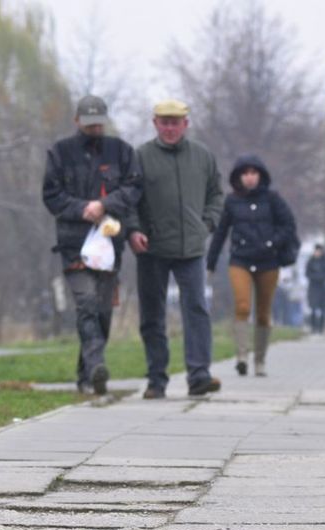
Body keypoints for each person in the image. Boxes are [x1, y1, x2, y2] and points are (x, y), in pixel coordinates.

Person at [42, 95, 141, 395]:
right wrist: (82, 208)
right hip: (74, 245)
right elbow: (51, 195)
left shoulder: (122, 152)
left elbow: (134, 188)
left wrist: (105, 205)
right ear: (77, 121)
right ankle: (97, 365)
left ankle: (87, 375)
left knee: (102, 311)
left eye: (99, 123)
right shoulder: (60, 153)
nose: (95, 128)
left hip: (110, 245)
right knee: (86, 303)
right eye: (89, 124)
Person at [127, 99, 223, 398]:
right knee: (152, 315)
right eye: (164, 122)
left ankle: (199, 375)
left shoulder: (203, 156)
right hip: (152, 248)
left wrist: (208, 223)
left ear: (185, 124)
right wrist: (133, 230)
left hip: (191, 248)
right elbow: (129, 199)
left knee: (196, 310)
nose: (170, 128)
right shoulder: (140, 157)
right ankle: (156, 379)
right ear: (155, 123)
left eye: (175, 123)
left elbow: (216, 195)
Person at [206, 155, 298, 377]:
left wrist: (272, 242)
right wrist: (211, 262)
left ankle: (260, 360)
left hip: (268, 262)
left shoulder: (273, 199)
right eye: (245, 173)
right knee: (243, 306)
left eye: (253, 173)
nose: (249, 177)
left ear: (260, 175)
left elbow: (288, 225)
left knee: (263, 313)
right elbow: (220, 232)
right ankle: (242, 355)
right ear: (238, 177)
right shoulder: (231, 201)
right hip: (241, 260)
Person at [305, 243, 325, 334]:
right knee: (313, 308)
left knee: (323, 309)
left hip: (323, 288)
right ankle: (314, 327)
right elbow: (307, 273)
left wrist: (321, 277)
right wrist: (316, 277)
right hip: (314, 288)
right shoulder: (311, 261)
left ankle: (321, 328)